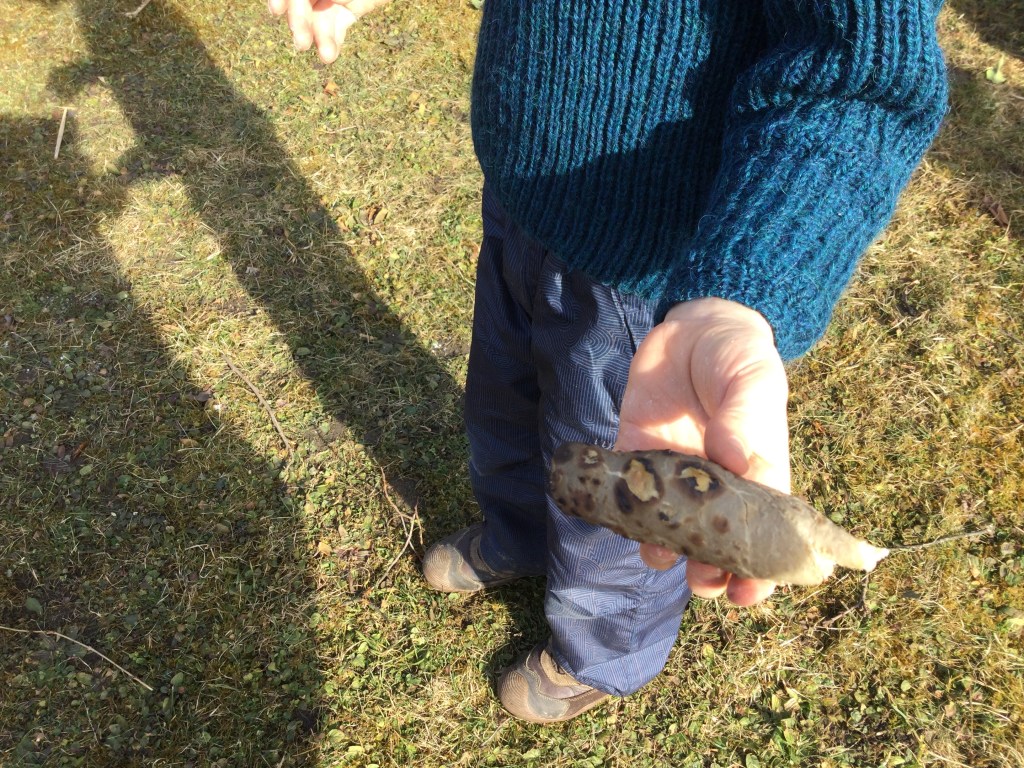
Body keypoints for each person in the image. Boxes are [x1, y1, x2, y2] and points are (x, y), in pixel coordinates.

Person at [267, 0, 948, 723]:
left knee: (621, 487)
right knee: (504, 405)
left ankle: (603, 648)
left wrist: (738, 295)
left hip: (645, 266)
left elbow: (859, 73)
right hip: (523, 202)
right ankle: (519, 535)